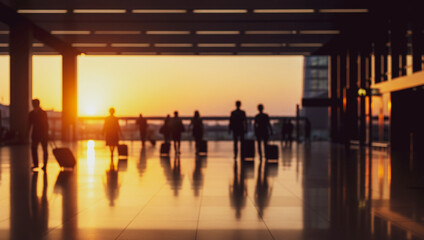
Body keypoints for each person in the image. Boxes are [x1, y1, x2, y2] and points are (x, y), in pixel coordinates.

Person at [28, 99, 49, 171]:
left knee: (44, 149)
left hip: (43, 134)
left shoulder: (43, 113)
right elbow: (29, 125)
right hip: (35, 134)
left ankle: (45, 165)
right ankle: (36, 164)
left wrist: (46, 133)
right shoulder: (31, 114)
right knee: (33, 148)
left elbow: (46, 124)